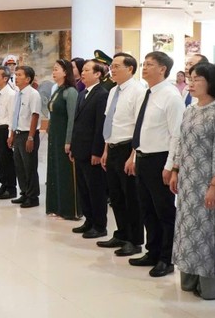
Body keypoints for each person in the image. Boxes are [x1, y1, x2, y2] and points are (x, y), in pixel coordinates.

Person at [169, 62, 215, 299]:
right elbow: (181, 143)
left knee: (208, 233)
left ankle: (209, 285)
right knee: (188, 232)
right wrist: (175, 170)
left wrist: (214, 185)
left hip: (208, 184)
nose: (191, 82)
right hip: (187, 184)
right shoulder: (190, 110)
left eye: (197, 79)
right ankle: (189, 277)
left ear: (212, 82)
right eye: (190, 78)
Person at [128, 52, 184, 278]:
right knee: (147, 209)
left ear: (163, 69)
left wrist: (170, 166)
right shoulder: (147, 93)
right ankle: (152, 251)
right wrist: (134, 156)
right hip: (143, 157)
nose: (144, 68)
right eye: (144, 64)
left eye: (149, 65)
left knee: (164, 211)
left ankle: (166, 258)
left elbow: (177, 135)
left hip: (161, 160)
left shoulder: (171, 96)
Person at [97, 53, 146, 257]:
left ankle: (134, 240)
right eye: (112, 66)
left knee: (130, 197)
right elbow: (111, 121)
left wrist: (133, 156)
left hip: (128, 148)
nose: (112, 69)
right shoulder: (113, 91)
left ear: (130, 69)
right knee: (116, 196)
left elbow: (139, 126)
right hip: (113, 147)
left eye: (117, 66)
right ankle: (121, 233)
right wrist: (105, 150)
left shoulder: (138, 91)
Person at [69, 59, 109, 239]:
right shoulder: (83, 92)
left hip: (92, 151)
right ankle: (89, 220)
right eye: (82, 70)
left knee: (96, 190)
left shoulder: (101, 94)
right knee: (83, 189)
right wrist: (73, 148)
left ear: (98, 74)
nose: (82, 73)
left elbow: (100, 126)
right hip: (80, 149)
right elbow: (78, 124)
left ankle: (100, 226)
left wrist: (96, 152)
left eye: (86, 70)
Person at [46, 59, 79, 219]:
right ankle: (56, 206)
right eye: (53, 69)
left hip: (64, 137)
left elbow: (72, 118)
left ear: (66, 72)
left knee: (65, 173)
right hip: (54, 136)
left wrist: (68, 141)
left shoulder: (70, 92)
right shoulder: (57, 90)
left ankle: (69, 209)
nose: (54, 72)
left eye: (57, 69)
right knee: (55, 171)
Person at [8, 66, 42, 208]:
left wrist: (30, 137)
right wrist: (12, 134)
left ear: (28, 79)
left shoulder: (33, 94)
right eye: (16, 74)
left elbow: (35, 115)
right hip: (18, 133)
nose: (16, 77)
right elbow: (16, 115)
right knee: (19, 166)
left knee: (29, 167)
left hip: (28, 134)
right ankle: (24, 193)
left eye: (19, 75)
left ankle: (33, 197)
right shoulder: (18, 93)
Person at [0, 66, 18, 199]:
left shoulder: (11, 94)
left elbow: (12, 115)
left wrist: (11, 135)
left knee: (7, 161)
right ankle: (3, 185)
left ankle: (11, 188)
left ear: (5, 78)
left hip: (5, 129)